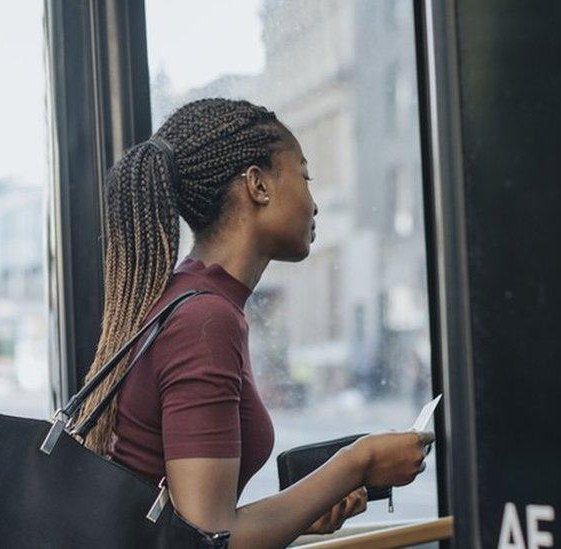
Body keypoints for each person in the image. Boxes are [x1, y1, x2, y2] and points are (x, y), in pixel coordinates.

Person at [73, 98, 433, 548]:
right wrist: (356, 463)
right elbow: (210, 539)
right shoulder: (204, 320)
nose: (315, 203)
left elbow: (194, 525)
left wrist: (300, 513)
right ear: (258, 185)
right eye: (305, 176)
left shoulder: (190, 298)